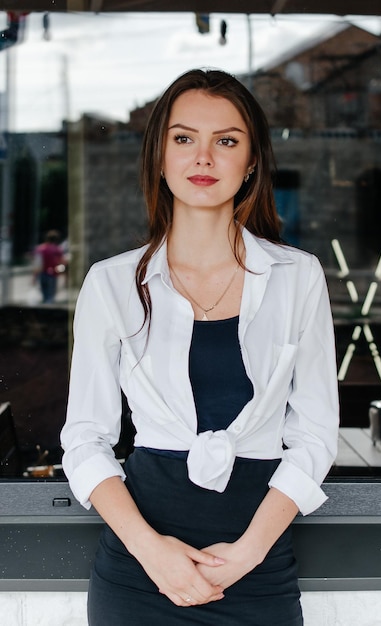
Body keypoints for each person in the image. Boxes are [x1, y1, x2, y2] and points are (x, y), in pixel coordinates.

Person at [61, 68, 339, 626]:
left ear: (252, 159)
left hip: (257, 567)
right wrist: (151, 551)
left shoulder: (297, 277)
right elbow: (85, 438)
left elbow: (313, 435)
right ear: (160, 157)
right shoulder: (112, 283)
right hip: (140, 570)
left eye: (227, 141)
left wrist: (249, 552)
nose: (203, 158)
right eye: (184, 139)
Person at [33, 230, 65, 303]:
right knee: (51, 297)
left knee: (44, 295)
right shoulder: (57, 249)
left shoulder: (40, 249)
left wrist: (34, 277)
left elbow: (37, 264)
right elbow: (62, 262)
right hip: (52, 274)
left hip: (42, 274)